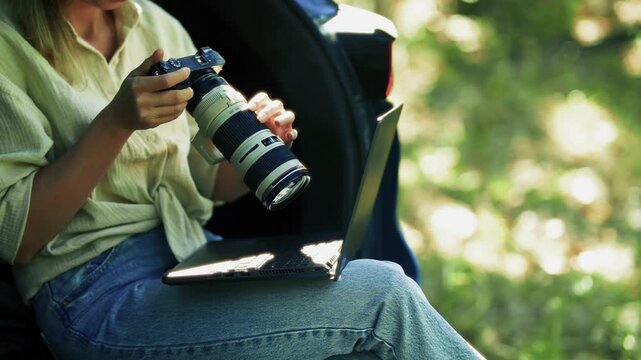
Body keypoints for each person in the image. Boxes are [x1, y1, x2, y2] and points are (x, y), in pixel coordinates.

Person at [0, 0, 483, 359]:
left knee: (356, 339)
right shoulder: (9, 47)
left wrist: (258, 151)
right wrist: (115, 123)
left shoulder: (153, 23)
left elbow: (204, 185)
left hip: (191, 252)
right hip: (93, 296)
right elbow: (19, 240)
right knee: (382, 295)